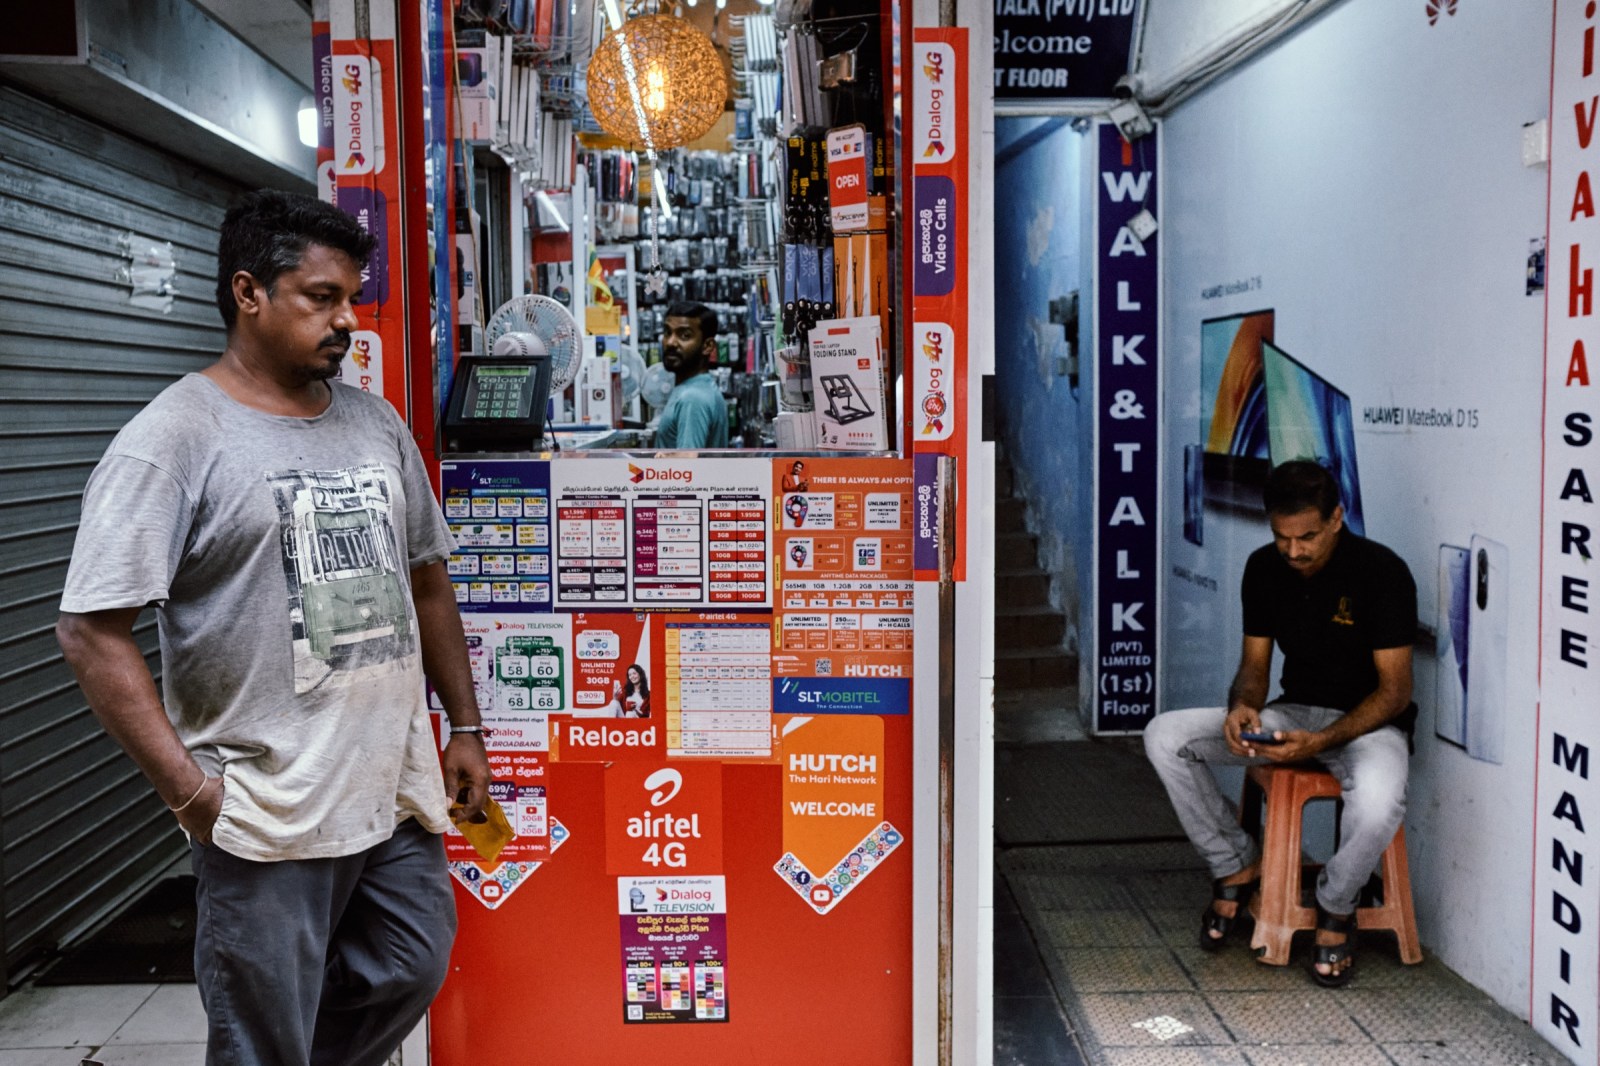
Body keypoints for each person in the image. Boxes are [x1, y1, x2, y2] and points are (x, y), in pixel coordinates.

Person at [55, 189, 492, 1066]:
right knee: (264, 1036)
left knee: (410, 965)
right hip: (266, 809)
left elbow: (427, 579)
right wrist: (191, 794)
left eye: (352, 300)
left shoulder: (372, 422)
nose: (348, 322)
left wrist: (466, 726)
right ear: (249, 293)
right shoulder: (174, 439)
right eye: (323, 298)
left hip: (391, 792)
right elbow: (90, 630)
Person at [1143, 460, 1415, 988]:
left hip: (1369, 725)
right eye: (1281, 537)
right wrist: (1241, 708)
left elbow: (1394, 692)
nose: (1293, 551)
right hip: (1292, 714)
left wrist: (1323, 741)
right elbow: (1254, 668)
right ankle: (1235, 863)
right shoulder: (1264, 567)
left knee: (1381, 799)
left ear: (1336, 518)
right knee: (1166, 736)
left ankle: (1336, 906)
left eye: (1306, 537)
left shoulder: (1382, 571)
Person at [654, 301, 729, 449]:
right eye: (667, 332)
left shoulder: (693, 398)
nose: (670, 342)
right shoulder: (696, 389)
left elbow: (688, 463)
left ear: (708, 346)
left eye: (684, 335)